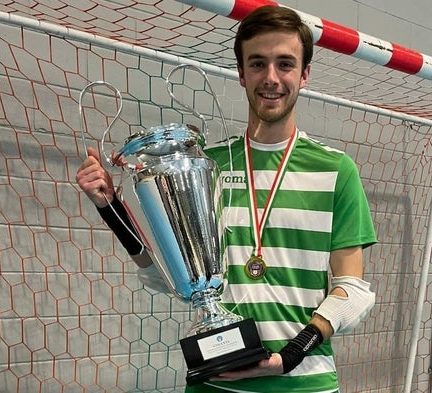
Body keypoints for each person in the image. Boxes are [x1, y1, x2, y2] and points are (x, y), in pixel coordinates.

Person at [76, 5, 377, 393]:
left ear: (304, 75)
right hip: (217, 384)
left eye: (285, 64)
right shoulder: (204, 166)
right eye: (257, 64)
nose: (271, 78)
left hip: (305, 383)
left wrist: (291, 354)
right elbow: (167, 277)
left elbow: (351, 289)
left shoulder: (336, 169)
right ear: (241, 73)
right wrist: (110, 209)